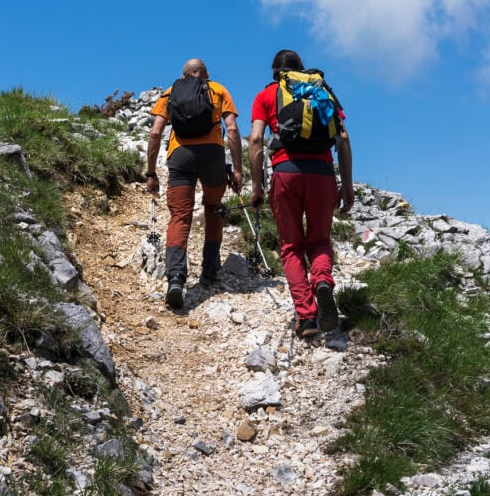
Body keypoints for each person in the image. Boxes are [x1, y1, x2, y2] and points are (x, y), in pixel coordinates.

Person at [248, 49, 354, 338]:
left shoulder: (266, 96)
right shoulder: (321, 91)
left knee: (291, 246)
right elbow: (343, 138)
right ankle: (321, 281)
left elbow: (256, 139)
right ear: (301, 69)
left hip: (286, 174)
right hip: (322, 175)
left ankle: (306, 318)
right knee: (319, 239)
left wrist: (257, 186)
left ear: (274, 73)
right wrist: (347, 187)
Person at [146, 59, 243, 309]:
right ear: (207, 74)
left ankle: (176, 279)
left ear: (183, 75)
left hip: (181, 156)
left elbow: (156, 132)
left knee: (180, 216)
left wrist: (150, 172)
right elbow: (231, 130)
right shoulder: (218, 90)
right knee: (213, 207)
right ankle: (210, 269)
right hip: (212, 155)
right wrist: (238, 169)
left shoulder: (170, 92)